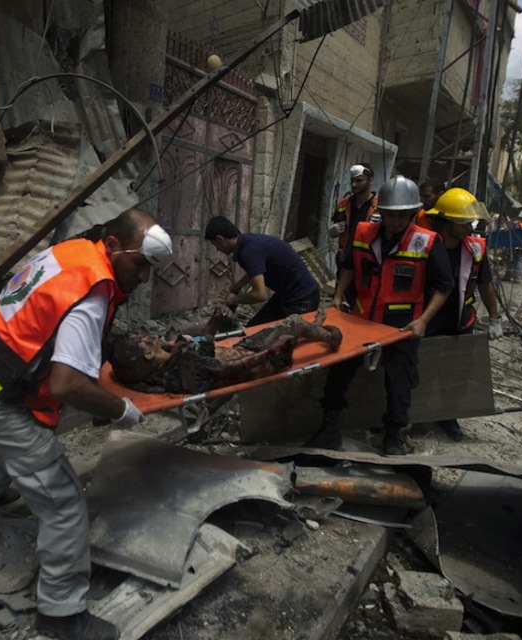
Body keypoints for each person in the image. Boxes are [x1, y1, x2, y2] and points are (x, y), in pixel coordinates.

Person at [0, 208, 172, 640]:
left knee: (19, 433)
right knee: (65, 502)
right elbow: (65, 384)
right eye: (140, 265)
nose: (144, 278)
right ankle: (62, 611)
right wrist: (119, 410)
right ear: (112, 247)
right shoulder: (92, 293)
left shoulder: (74, 252)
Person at [306, 175, 453, 455]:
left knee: (400, 381)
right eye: (389, 215)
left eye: (402, 216)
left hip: (402, 327)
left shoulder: (427, 242)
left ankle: (393, 436)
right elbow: (348, 266)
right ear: (380, 212)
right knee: (338, 371)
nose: (395, 222)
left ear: (412, 213)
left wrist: (423, 320)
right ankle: (329, 426)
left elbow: (444, 287)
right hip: (361, 320)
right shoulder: (362, 234)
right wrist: (338, 297)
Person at [424, 187, 504, 441]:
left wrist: (494, 317)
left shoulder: (474, 248)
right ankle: (412, 415)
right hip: (426, 319)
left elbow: (485, 284)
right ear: (446, 221)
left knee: (456, 373)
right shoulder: (423, 244)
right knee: (420, 370)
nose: (470, 226)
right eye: (463, 221)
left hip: (460, 319)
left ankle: (448, 417)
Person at [109, 311, 342, 393]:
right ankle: (330, 337)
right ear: (149, 356)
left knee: (289, 328)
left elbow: (203, 344)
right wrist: (273, 352)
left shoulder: (168, 361)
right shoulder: (184, 366)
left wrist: (215, 321)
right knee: (294, 323)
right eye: (142, 342)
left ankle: (312, 329)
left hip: (241, 350)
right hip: (260, 363)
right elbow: (227, 368)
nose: (145, 336)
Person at [204, 215, 320, 326]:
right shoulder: (247, 242)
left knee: (289, 341)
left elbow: (260, 295)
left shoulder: (248, 252)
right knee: (252, 329)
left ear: (220, 239)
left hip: (303, 297)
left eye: (215, 245)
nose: (217, 249)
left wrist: (234, 299)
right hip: (285, 295)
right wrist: (238, 285)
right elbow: (256, 271)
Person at [330, 162, 378, 268]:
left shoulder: (379, 207)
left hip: (367, 260)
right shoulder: (343, 204)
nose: (354, 184)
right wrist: (333, 231)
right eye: (352, 180)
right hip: (344, 258)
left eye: (359, 180)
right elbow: (337, 226)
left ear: (369, 180)